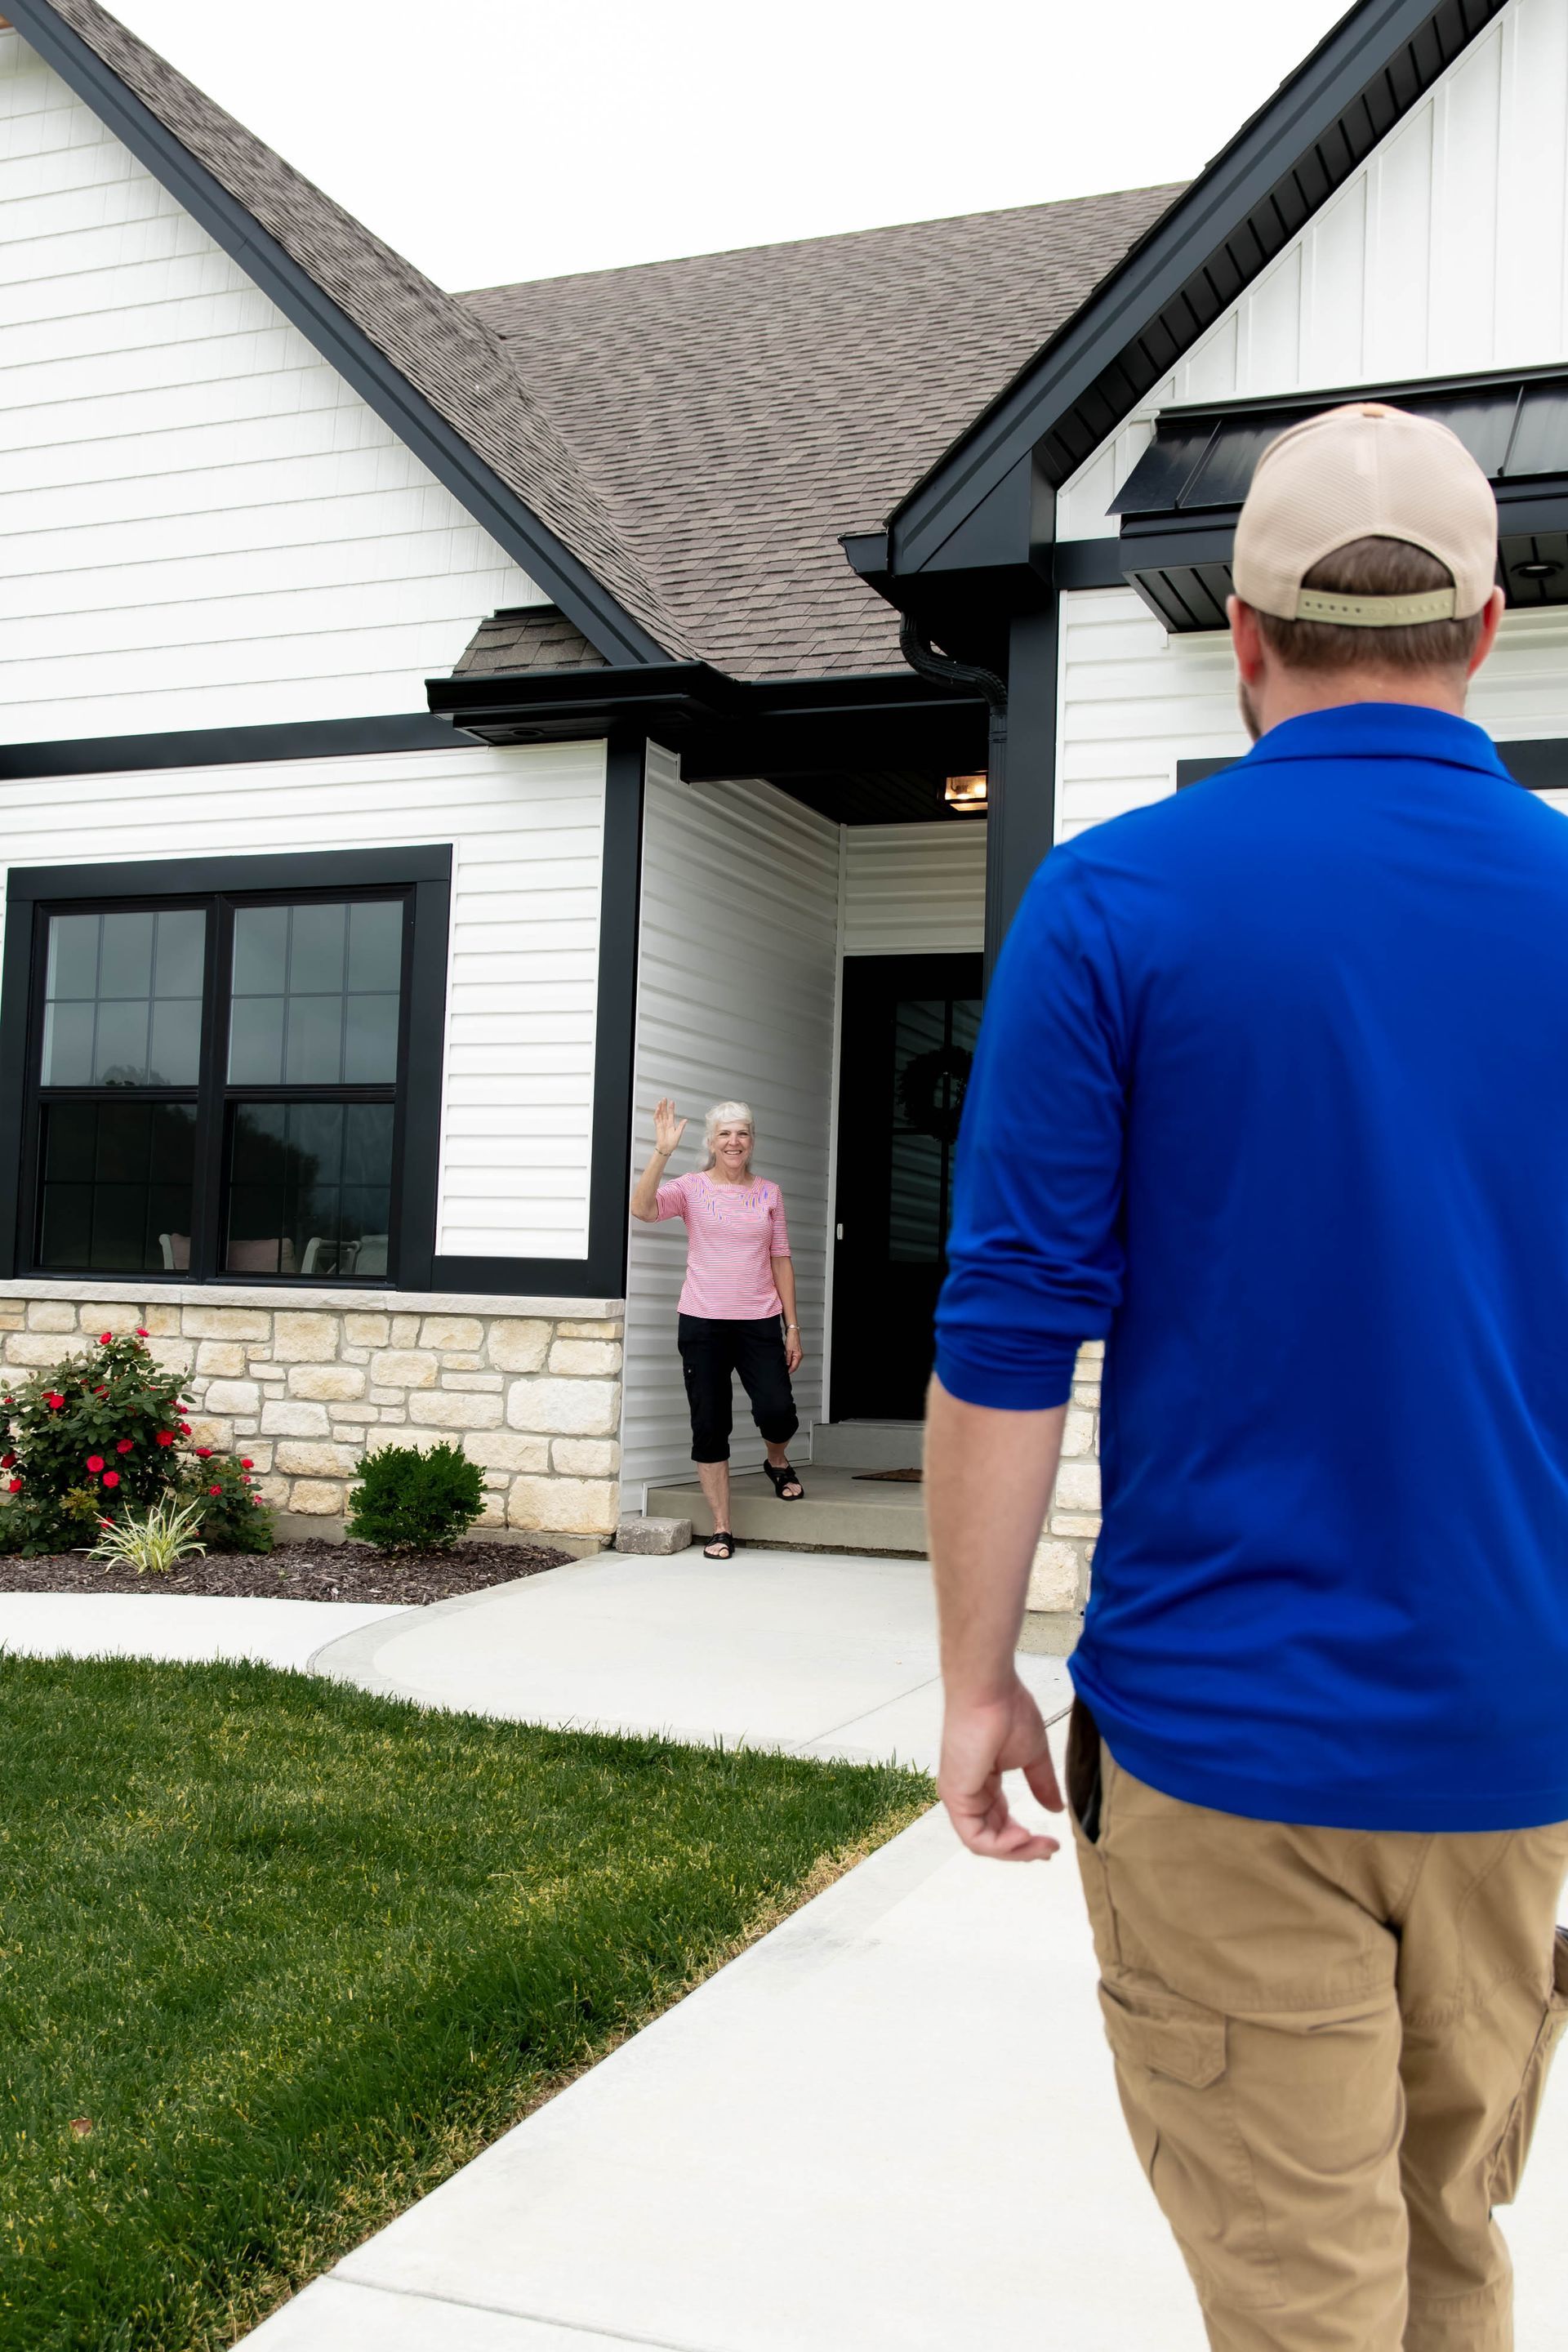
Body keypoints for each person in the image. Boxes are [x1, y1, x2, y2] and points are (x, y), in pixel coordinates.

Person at [925, 403, 1568, 2352]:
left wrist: (973, 1683)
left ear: (1243, 637)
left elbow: (1008, 1337)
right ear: (1478, 630)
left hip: (1225, 1746)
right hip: (1509, 1746)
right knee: (1444, 2246)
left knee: (1303, 2307)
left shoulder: (1116, 903)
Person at [631, 1097, 804, 1558]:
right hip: (703, 1321)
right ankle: (722, 1528)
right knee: (710, 1425)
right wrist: (661, 1151)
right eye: (725, 1134)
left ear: (751, 1142)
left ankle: (777, 1460)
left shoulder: (770, 1192)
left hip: (760, 1320)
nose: (734, 1141)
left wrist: (792, 1326)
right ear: (711, 1142)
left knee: (777, 1410)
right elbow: (643, 1209)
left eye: (742, 1133)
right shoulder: (690, 1188)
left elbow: (781, 1258)